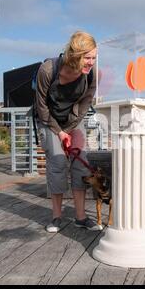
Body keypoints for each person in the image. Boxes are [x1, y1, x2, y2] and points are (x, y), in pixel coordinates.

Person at [35, 31, 101, 233]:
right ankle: (56, 217)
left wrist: (69, 130)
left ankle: (80, 218)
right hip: (48, 120)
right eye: (87, 58)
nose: (91, 62)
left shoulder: (92, 73)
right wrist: (59, 132)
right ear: (75, 55)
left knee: (81, 164)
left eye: (94, 57)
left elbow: (85, 104)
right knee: (57, 163)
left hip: (73, 120)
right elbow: (41, 107)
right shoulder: (48, 70)